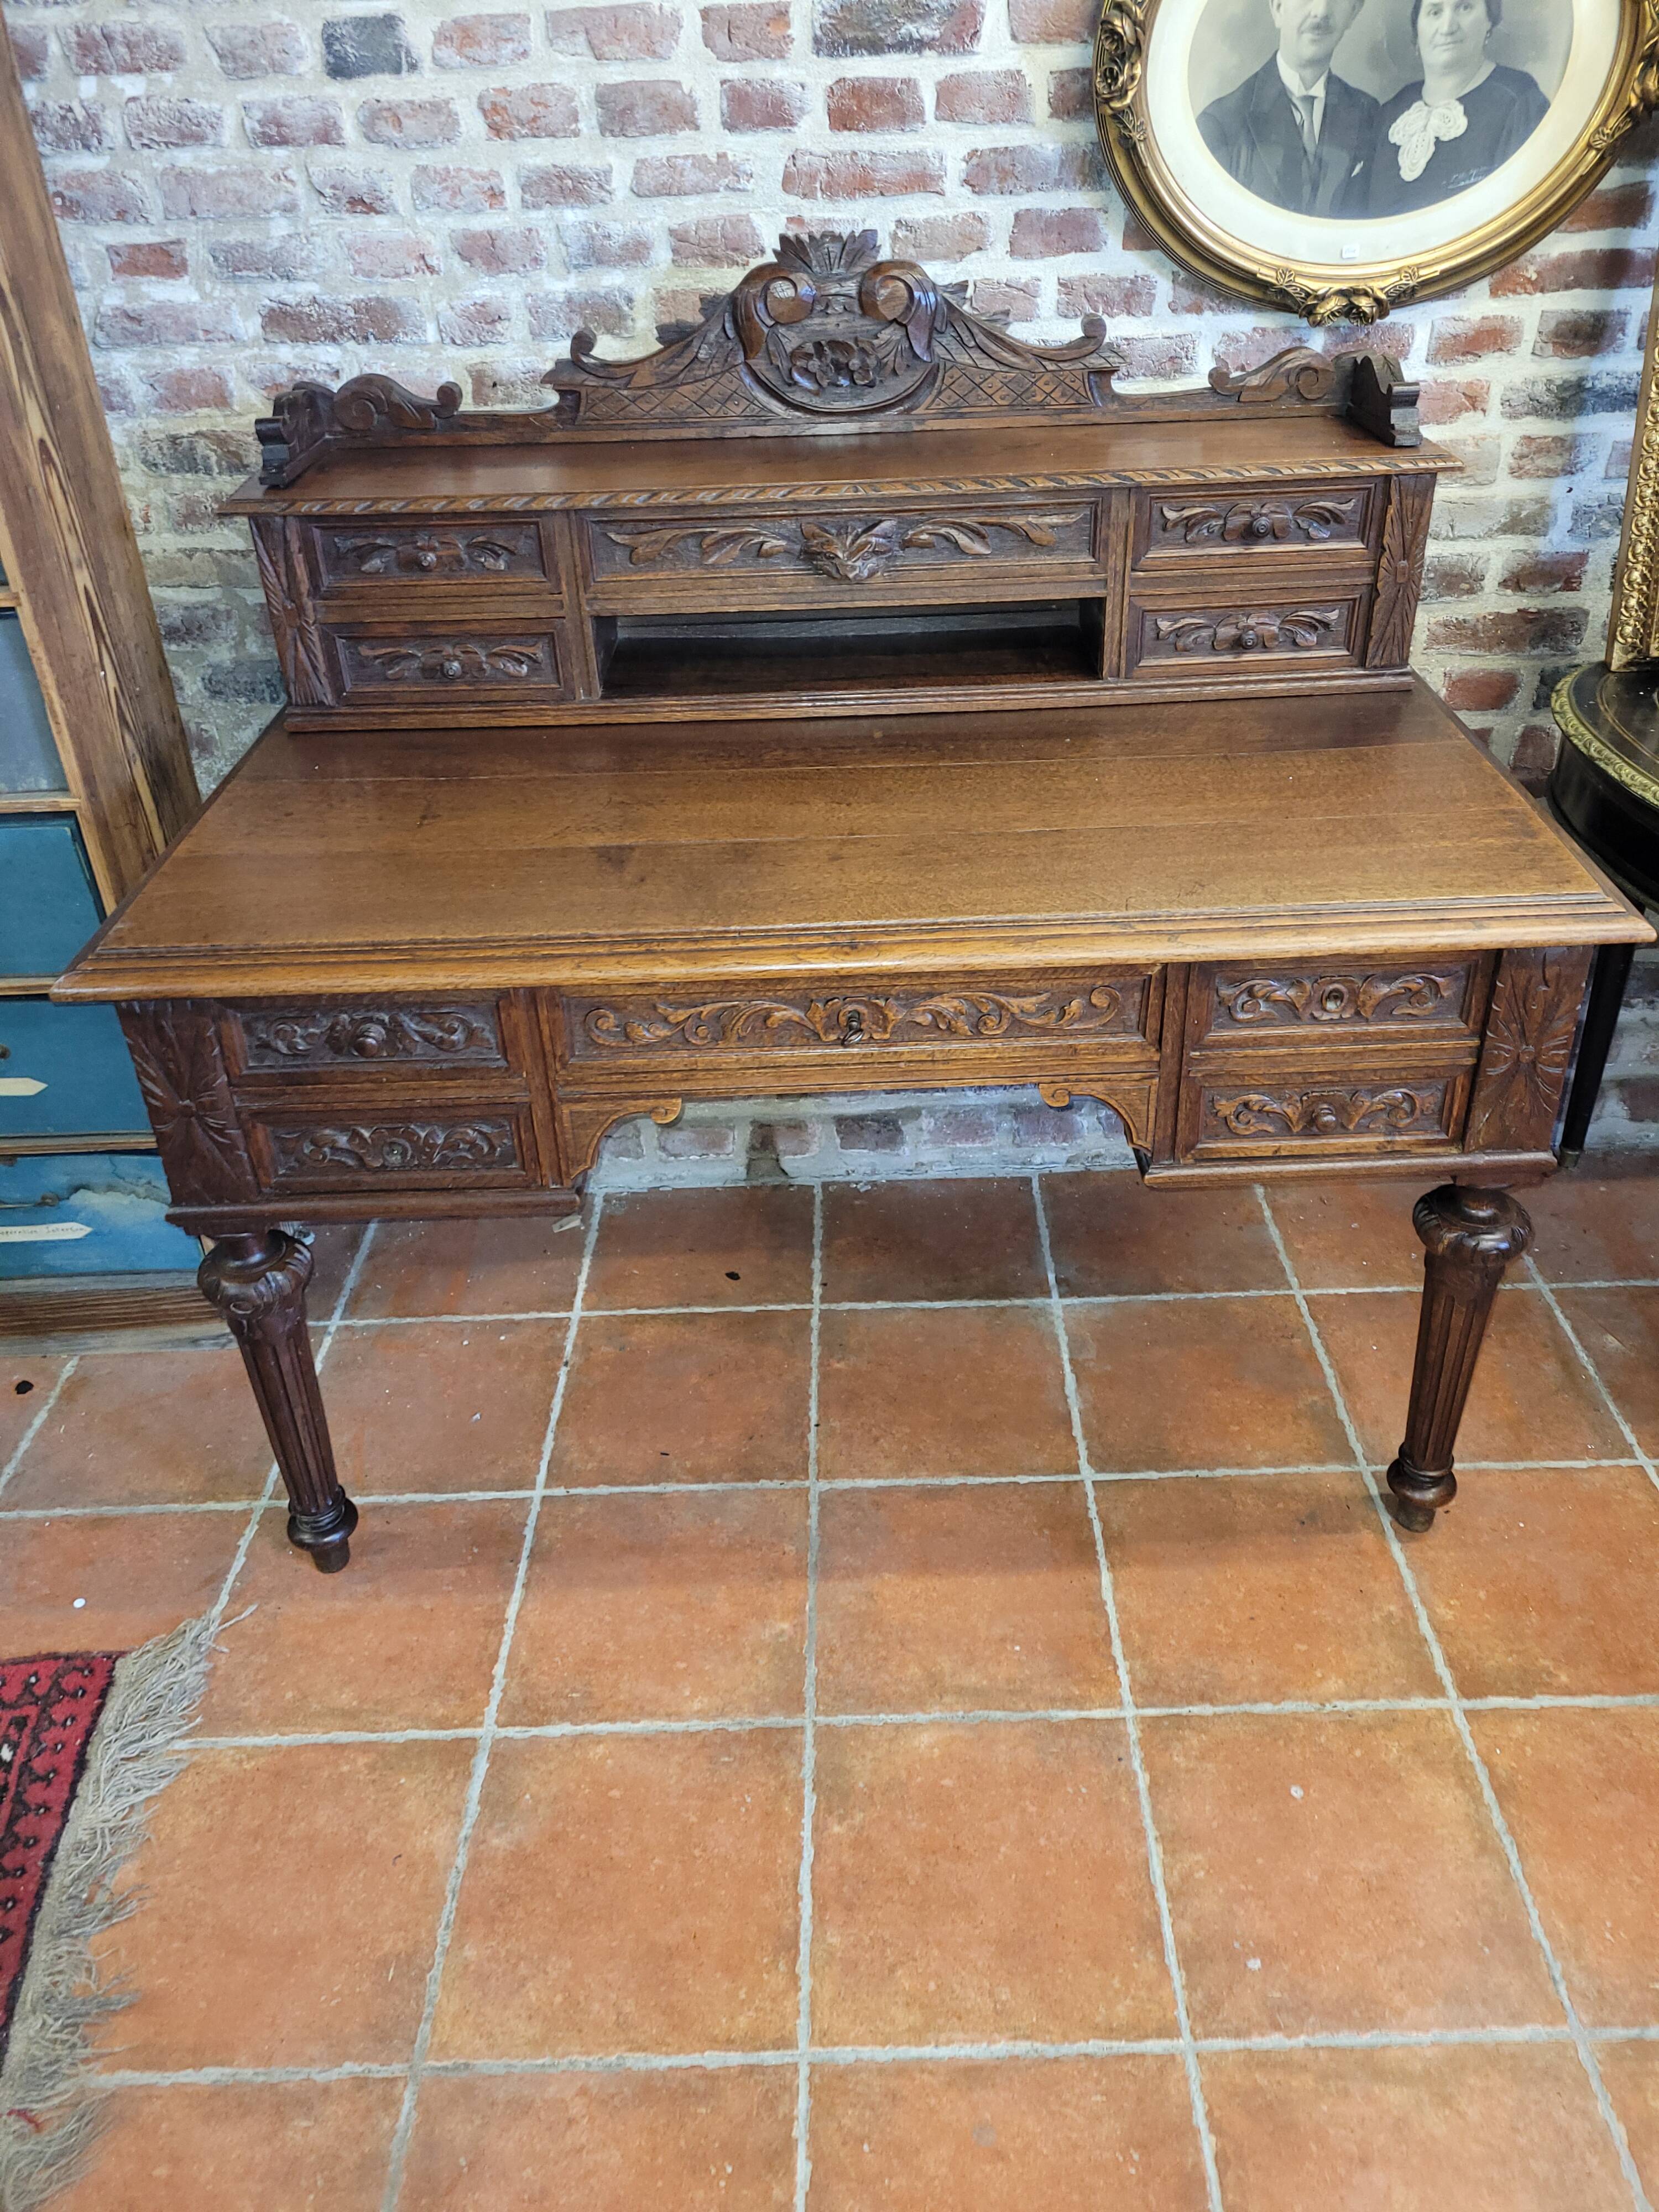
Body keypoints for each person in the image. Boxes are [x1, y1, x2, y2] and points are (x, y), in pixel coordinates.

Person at [1199, 0, 1380, 217]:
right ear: (1278, 7)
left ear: (1354, 12)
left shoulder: (1369, 114)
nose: (1321, 11)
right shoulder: (1220, 125)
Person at [1368, 0, 1548, 213]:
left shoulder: (1519, 100)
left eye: (1465, 8)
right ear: (1417, 30)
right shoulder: (1389, 114)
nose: (1447, 28)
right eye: (1435, 12)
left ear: (1489, 20)